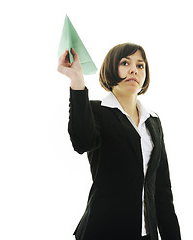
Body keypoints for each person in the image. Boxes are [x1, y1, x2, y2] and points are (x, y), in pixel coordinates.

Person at [57, 43, 181, 240]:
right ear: (110, 69)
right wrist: (77, 81)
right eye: (125, 63)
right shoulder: (96, 111)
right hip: (104, 231)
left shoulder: (153, 122)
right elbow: (82, 142)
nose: (134, 69)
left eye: (140, 66)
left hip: (146, 235)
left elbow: (162, 189)